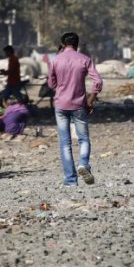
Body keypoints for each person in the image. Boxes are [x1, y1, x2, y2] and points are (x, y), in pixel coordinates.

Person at [47, 32, 103, 186]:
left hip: (60, 105)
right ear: (77, 44)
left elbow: (51, 85)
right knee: (83, 138)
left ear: (63, 44)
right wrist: (91, 100)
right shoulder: (85, 59)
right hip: (79, 104)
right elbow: (97, 81)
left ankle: (71, 180)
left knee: (65, 142)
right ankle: (83, 164)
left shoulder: (55, 60)